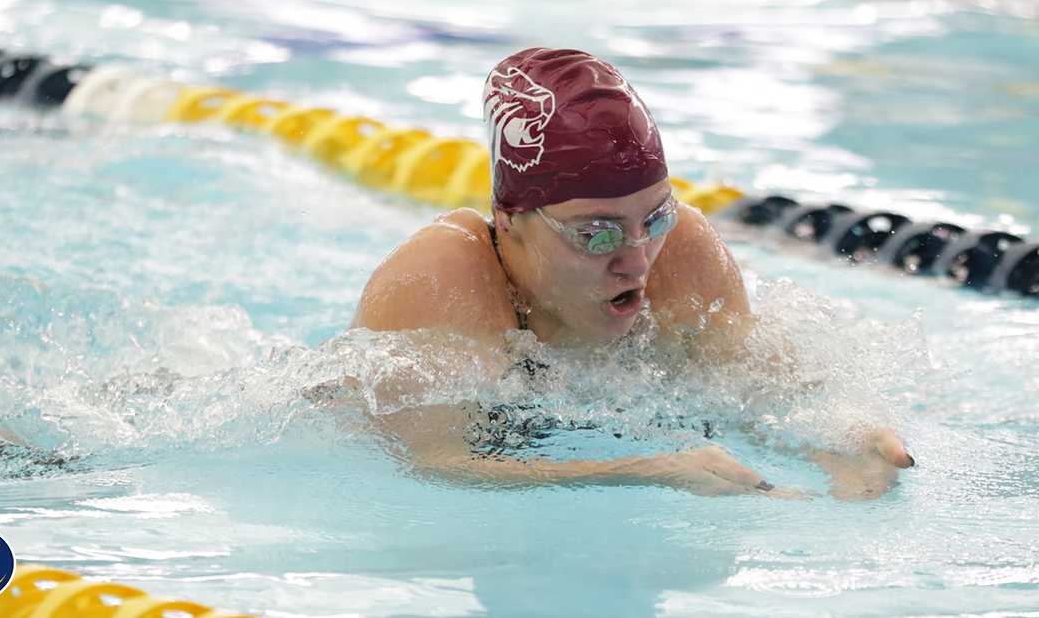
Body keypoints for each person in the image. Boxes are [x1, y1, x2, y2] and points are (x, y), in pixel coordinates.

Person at [347, 47, 913, 497]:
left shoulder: (684, 247)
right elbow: (433, 464)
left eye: (655, 216)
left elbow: (753, 388)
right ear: (511, 218)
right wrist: (642, 470)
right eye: (598, 234)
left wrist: (834, 439)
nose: (638, 259)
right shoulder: (441, 282)